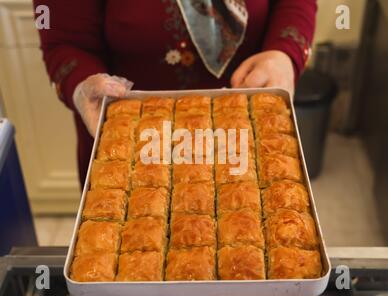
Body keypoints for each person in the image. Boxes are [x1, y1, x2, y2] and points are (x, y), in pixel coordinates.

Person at [33, 0, 317, 186]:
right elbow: (64, 43)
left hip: (246, 136)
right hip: (131, 145)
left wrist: (284, 53)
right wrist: (81, 84)